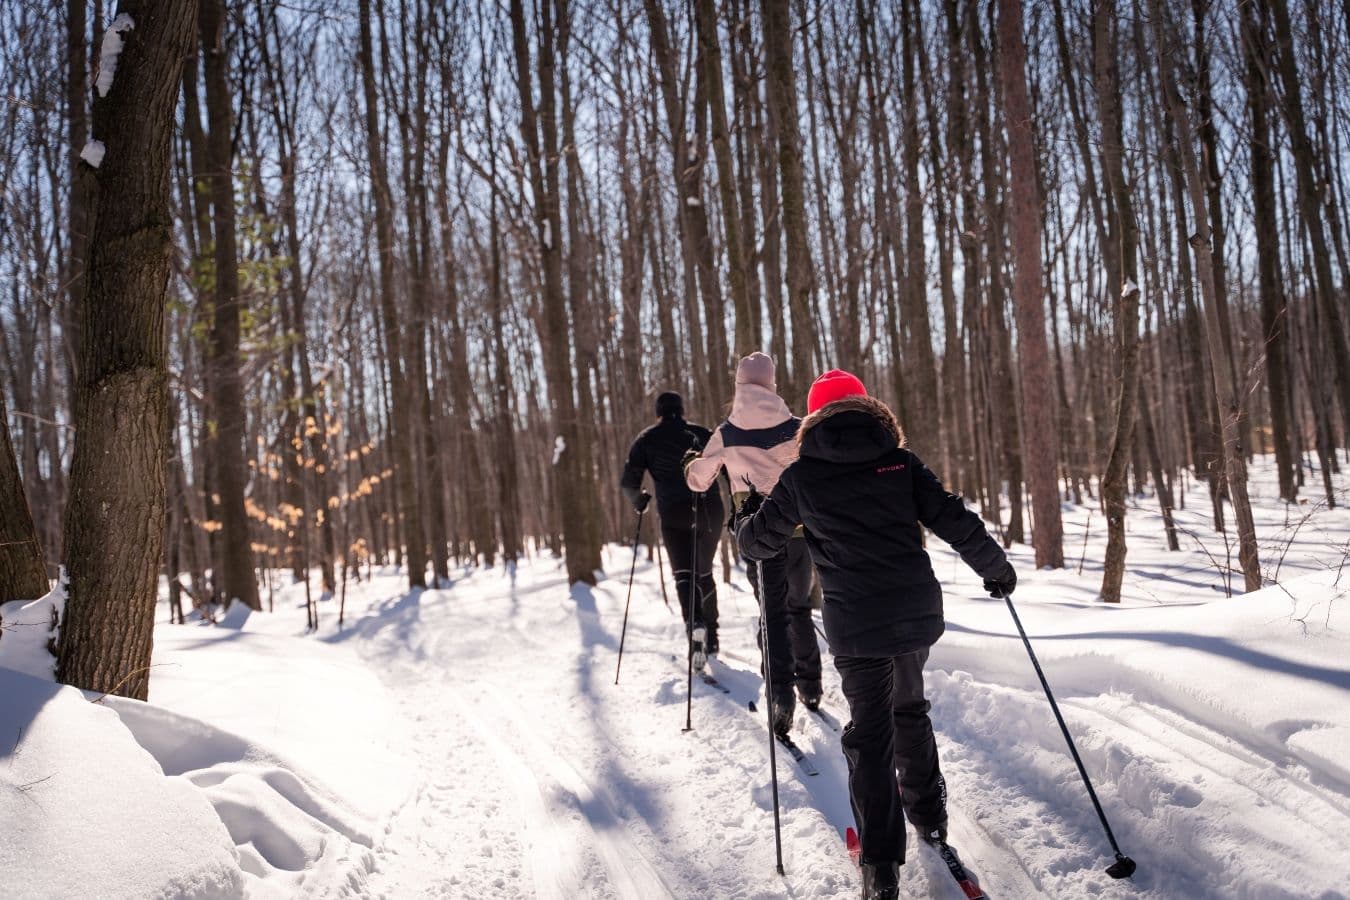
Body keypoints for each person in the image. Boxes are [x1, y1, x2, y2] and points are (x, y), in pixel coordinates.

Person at [735, 370, 1016, 900]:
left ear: (813, 419)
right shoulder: (901, 464)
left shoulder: (800, 477)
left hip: (857, 626)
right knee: (909, 709)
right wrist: (995, 568)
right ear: (871, 411)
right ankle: (930, 821)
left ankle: (881, 867)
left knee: (870, 733)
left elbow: (758, 545)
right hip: (914, 615)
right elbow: (953, 518)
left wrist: (747, 521)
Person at [684, 352, 823, 735]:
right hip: (799, 532)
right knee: (799, 608)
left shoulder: (727, 432)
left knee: (772, 614)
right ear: (772, 383)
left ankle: (781, 697)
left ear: (740, 385)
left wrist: (691, 463)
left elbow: (699, 480)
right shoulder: (798, 427)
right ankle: (811, 686)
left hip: (759, 535)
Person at [621, 391, 726, 666]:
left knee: (684, 574)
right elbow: (728, 466)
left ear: (658, 413)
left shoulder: (646, 439)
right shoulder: (702, 433)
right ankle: (712, 636)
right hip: (709, 509)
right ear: (682, 410)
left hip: (673, 513)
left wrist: (640, 499)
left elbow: (628, 481)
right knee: (704, 572)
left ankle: (695, 627)